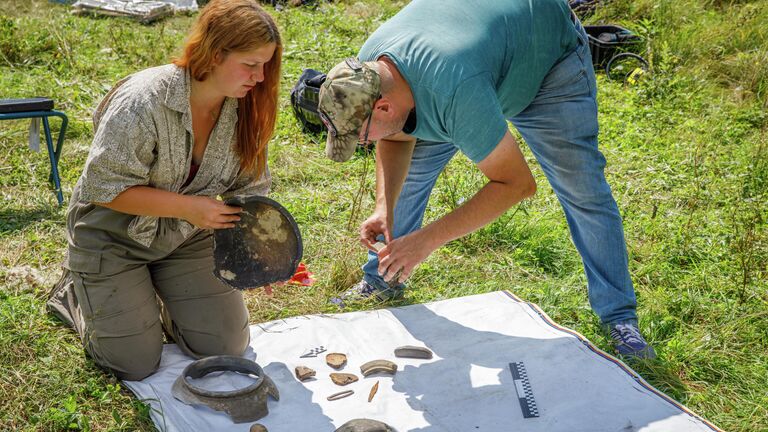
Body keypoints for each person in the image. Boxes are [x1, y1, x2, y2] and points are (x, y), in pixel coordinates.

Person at [317, 0, 655, 358]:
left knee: (580, 187)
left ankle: (619, 318)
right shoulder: (369, 72)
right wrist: (384, 207)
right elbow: (395, 137)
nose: (365, 143)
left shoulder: (454, 92)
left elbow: (516, 184)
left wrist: (425, 241)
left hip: (545, 60)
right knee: (410, 177)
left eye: (361, 136)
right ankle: (381, 280)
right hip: (476, 64)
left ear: (383, 107)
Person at [46, 0, 282, 380]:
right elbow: (103, 187)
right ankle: (76, 291)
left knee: (226, 347)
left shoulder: (246, 109)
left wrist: (257, 257)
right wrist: (188, 208)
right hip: (114, 233)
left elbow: (248, 193)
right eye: (250, 64)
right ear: (214, 53)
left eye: (266, 65)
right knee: (132, 363)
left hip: (184, 236)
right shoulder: (144, 99)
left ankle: (159, 291)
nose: (259, 76)